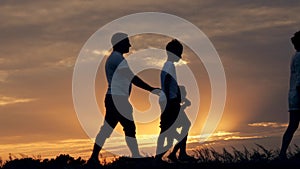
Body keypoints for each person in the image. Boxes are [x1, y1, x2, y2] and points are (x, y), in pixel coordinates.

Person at [88, 32, 159, 165]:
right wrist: (151, 89)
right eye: (127, 42)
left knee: (108, 129)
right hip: (118, 99)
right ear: (119, 43)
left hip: (114, 98)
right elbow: (131, 77)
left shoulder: (115, 58)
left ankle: (93, 158)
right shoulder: (117, 59)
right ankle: (135, 156)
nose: (130, 45)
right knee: (129, 127)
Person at [155, 39, 193, 162]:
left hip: (169, 100)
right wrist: (168, 100)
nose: (180, 56)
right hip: (169, 102)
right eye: (179, 52)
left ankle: (172, 154)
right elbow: (166, 81)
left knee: (167, 129)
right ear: (173, 52)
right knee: (173, 128)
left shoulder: (168, 65)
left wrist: (181, 97)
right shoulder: (169, 65)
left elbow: (172, 84)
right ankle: (177, 154)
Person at [280, 30, 300, 158]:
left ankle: (282, 153)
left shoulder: (295, 56)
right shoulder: (299, 56)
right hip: (298, 95)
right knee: (293, 125)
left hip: (294, 96)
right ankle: (282, 153)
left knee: (292, 125)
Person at [166, 86, 194, 162]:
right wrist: (184, 104)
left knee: (183, 136)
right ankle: (180, 154)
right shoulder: (174, 104)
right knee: (180, 138)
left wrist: (184, 102)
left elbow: (186, 103)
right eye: (183, 93)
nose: (185, 94)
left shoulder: (176, 103)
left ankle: (178, 154)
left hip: (172, 123)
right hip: (170, 125)